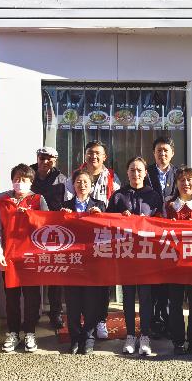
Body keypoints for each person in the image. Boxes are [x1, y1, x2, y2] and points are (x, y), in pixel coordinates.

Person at [64, 140, 121, 340]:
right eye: (90, 153)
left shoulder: (112, 177)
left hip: (101, 237)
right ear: (84, 155)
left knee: (102, 282)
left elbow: (115, 204)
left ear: (104, 157)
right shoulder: (74, 176)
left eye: (98, 153)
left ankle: (101, 320)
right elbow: (69, 205)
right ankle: (81, 323)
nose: (93, 156)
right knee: (79, 284)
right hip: (77, 240)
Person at [108, 157, 163, 356]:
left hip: (147, 254)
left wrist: (147, 222)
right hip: (126, 254)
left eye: (139, 170)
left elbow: (161, 222)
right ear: (127, 172)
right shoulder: (118, 196)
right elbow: (107, 222)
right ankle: (130, 335)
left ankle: (145, 335)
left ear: (145, 173)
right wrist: (120, 218)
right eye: (132, 170)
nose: (136, 173)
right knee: (128, 295)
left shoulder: (154, 196)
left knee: (146, 296)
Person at [0, 163, 48, 353]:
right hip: (10, 256)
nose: (20, 183)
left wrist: (31, 216)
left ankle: (30, 332)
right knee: (12, 297)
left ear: (31, 181)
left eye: (24, 179)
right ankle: (13, 332)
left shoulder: (38, 199)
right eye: (17, 179)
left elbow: (47, 224)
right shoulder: (3, 201)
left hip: (31, 256)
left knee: (32, 297)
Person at [163, 166, 192, 355]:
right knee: (175, 302)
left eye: (190, 179)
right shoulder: (169, 204)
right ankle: (178, 341)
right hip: (174, 261)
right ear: (176, 183)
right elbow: (159, 230)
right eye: (182, 180)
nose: (186, 183)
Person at [60, 169, 106, 354]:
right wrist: (62, 216)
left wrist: (100, 215)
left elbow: (108, 228)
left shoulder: (100, 205)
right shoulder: (65, 205)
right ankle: (75, 338)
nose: (82, 185)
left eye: (86, 182)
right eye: (78, 182)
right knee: (73, 302)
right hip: (72, 260)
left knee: (91, 302)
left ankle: (88, 337)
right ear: (73, 185)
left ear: (92, 186)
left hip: (92, 260)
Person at [30, 146, 69, 330]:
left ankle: (56, 313)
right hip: (31, 230)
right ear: (37, 158)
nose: (45, 162)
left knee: (55, 274)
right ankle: (33, 312)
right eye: (42, 158)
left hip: (54, 231)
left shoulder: (62, 179)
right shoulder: (28, 174)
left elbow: (67, 202)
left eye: (49, 158)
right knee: (33, 273)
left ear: (55, 160)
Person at [146, 136, 177, 339]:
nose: (162, 154)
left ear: (172, 153)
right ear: (154, 153)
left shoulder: (179, 173)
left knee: (170, 280)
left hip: (172, 235)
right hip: (151, 232)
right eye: (159, 150)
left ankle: (169, 321)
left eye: (166, 150)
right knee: (153, 280)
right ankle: (154, 321)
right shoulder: (146, 172)